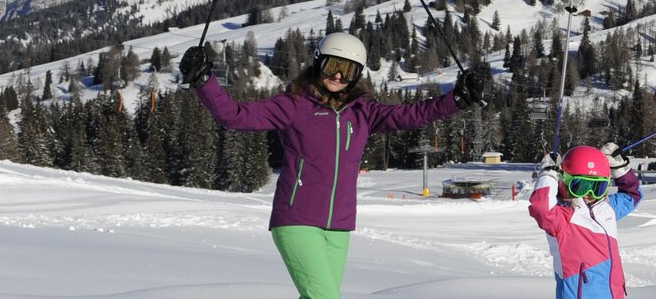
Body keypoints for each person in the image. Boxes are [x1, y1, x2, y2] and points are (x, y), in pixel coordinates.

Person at [179, 32, 488, 299]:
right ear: (318, 62)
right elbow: (235, 116)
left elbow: (411, 114)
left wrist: (457, 99)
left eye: (348, 70)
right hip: (296, 220)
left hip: (338, 226)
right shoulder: (294, 105)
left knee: (316, 295)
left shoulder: (363, 112)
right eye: (332, 66)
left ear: (357, 75)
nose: (338, 76)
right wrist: (205, 82)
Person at [528, 142, 642, 299]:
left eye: (597, 187)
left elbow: (631, 196)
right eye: (581, 186)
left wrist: (618, 167)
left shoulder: (605, 209)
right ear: (565, 182)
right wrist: (549, 174)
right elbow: (540, 207)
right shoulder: (562, 218)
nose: (589, 194)